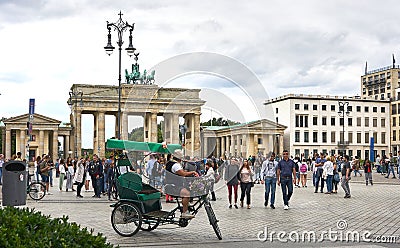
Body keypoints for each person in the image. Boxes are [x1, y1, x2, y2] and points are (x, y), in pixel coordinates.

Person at [165, 149, 198, 218]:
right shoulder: (176, 165)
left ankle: (186, 204)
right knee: (187, 193)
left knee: (187, 190)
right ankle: (184, 213)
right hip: (173, 186)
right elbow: (183, 174)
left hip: (169, 184)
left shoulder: (169, 162)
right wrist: (193, 172)